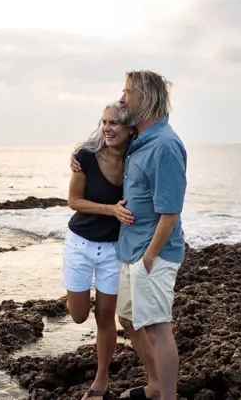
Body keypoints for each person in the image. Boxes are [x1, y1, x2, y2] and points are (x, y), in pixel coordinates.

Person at [71, 70, 187, 400]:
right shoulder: (140, 137)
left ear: (146, 99)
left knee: (158, 328)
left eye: (127, 93)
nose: (122, 99)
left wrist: (150, 256)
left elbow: (171, 212)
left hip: (152, 252)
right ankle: (153, 386)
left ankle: (167, 396)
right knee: (128, 318)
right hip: (131, 248)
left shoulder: (165, 145)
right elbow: (107, 140)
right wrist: (78, 154)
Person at [63, 101, 136, 400]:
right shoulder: (86, 157)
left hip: (113, 251)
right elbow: (74, 201)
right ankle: (79, 294)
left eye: (114, 123)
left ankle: (100, 382)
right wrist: (110, 210)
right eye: (104, 122)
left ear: (130, 129)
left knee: (106, 317)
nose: (107, 127)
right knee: (79, 315)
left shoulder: (136, 159)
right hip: (79, 244)